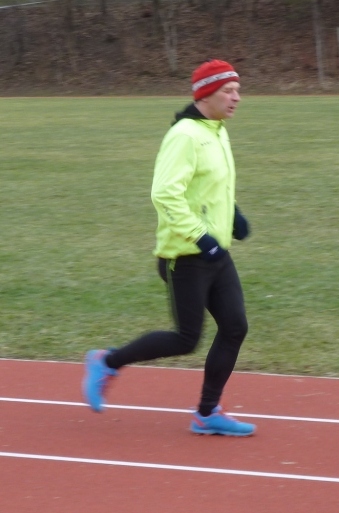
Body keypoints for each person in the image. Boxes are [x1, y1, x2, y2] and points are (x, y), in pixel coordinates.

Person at [82, 59, 256, 437]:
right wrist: (202, 238)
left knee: (235, 327)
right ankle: (107, 361)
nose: (237, 97)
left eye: (237, 90)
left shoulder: (216, 131)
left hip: (216, 253)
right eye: (228, 91)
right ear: (206, 94)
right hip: (185, 256)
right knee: (186, 339)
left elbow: (209, 188)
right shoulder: (185, 136)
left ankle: (207, 413)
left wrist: (233, 216)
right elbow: (165, 194)